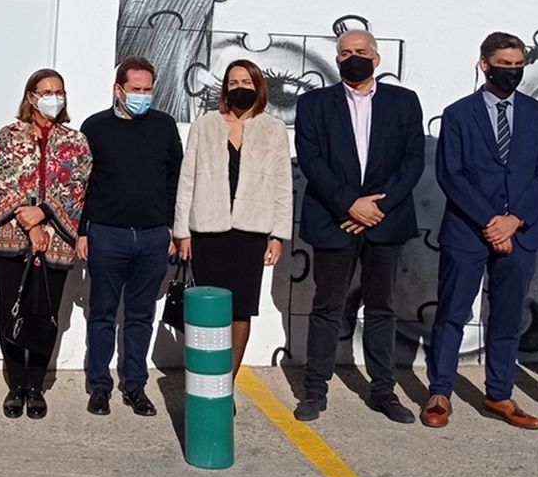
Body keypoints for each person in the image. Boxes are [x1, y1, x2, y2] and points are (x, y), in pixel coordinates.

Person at [423, 34, 538, 430]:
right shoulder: (458, 113)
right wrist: (491, 221)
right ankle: (440, 392)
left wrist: (514, 220)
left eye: (518, 64)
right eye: (504, 63)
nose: (512, 71)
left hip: (521, 233)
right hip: (467, 232)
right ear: (484, 63)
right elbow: (451, 173)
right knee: (452, 312)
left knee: (507, 314)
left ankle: (499, 394)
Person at [293, 30, 424, 423]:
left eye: (361, 52)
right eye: (346, 52)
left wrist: (376, 207)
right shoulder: (314, 104)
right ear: (337, 59)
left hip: (386, 220)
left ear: (376, 58)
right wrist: (349, 203)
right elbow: (312, 160)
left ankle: (383, 390)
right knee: (326, 307)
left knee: (382, 308)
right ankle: (315, 390)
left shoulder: (404, 102)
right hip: (335, 220)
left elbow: (413, 159)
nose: (354, 57)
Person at [173, 60, 293, 382]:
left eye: (247, 82)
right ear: (225, 88)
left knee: (240, 309)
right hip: (208, 231)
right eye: (233, 82)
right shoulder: (205, 124)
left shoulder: (273, 128)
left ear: (258, 87)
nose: (240, 87)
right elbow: (187, 180)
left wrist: (277, 235)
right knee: (208, 310)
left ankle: (226, 384)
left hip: (250, 233)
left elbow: (283, 184)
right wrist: (182, 231)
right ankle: (205, 378)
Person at [76, 57, 182, 417]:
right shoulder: (95, 127)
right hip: (107, 234)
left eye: (147, 89)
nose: (142, 95)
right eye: (135, 89)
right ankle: (99, 386)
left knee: (140, 315)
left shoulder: (165, 127)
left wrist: (173, 228)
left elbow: (175, 181)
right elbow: (83, 186)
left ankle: (135, 385)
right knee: (102, 314)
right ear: (118, 90)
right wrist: (81, 232)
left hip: (153, 237)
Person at [0, 68, 92, 420]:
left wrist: (46, 213)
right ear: (30, 96)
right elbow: (2, 182)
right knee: (11, 307)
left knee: (46, 311)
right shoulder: (8, 136)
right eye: (46, 91)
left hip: (57, 238)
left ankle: (36, 385)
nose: (53, 97)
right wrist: (27, 220)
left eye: (58, 91)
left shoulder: (75, 141)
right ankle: (15, 384)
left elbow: (78, 187)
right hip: (13, 235)